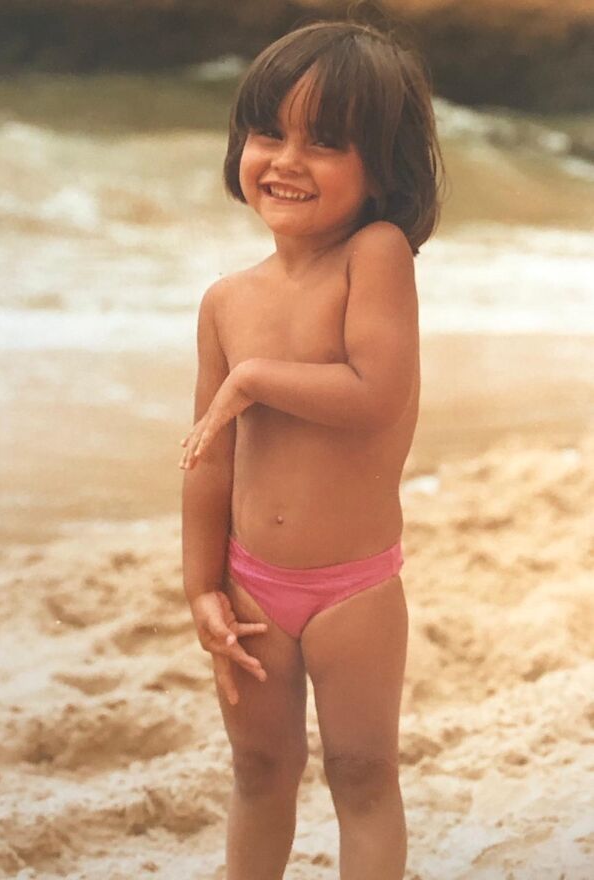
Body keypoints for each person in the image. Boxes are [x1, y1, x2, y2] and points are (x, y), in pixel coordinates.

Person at [180, 17, 445, 880]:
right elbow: (207, 456)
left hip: (352, 591)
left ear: (382, 172)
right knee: (260, 770)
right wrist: (201, 585)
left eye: (325, 142)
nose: (287, 160)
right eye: (269, 132)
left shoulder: (376, 254)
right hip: (252, 581)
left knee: (362, 773)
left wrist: (256, 377)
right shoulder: (225, 301)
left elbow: (375, 397)